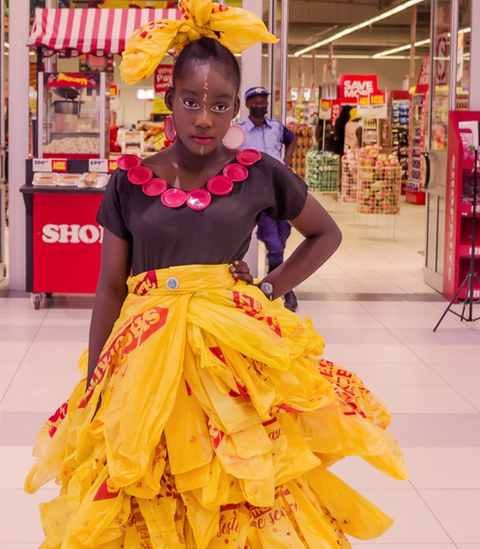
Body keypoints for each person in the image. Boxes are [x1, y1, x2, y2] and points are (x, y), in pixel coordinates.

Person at [24, 2, 407, 548]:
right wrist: (96, 380)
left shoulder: (258, 173)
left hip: (229, 353)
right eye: (191, 101)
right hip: (144, 353)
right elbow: (110, 285)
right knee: (147, 474)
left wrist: (271, 287)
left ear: (236, 111)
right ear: (169, 102)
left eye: (220, 104)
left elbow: (326, 234)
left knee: (240, 473)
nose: (204, 118)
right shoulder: (129, 182)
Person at [235, 87, 299, 311]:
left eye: (264, 100)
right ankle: (284, 290)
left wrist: (286, 161)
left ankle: (275, 283)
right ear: (247, 104)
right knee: (272, 243)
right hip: (258, 194)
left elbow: (292, 140)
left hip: (281, 190)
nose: (260, 104)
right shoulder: (239, 131)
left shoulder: (277, 128)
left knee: (282, 237)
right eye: (256, 101)